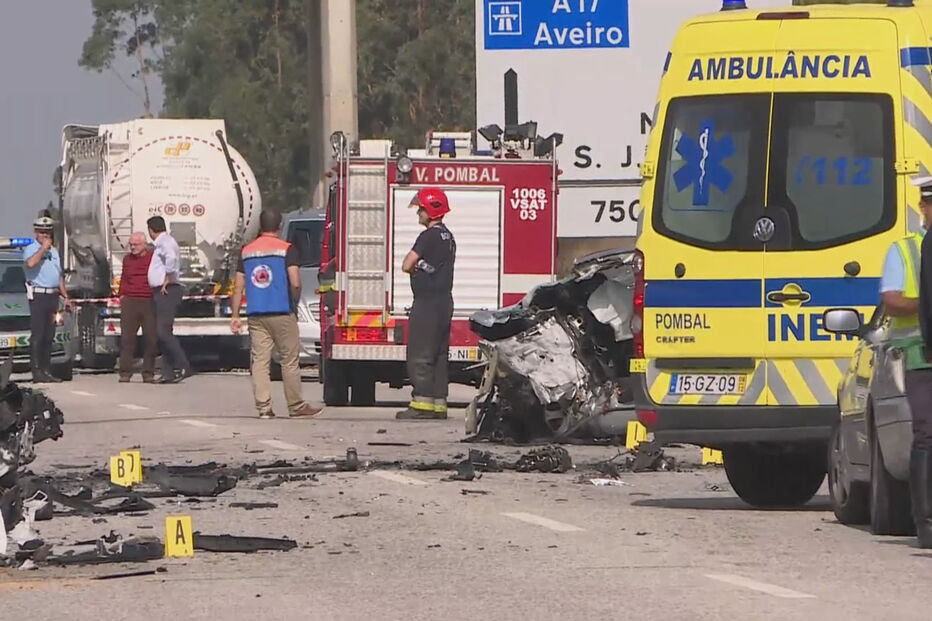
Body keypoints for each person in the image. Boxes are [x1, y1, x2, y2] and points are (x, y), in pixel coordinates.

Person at [230, 209, 321, 420]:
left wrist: (235, 315)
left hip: (256, 314)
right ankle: (296, 405)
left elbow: (238, 286)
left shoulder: (246, 251)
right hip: (282, 311)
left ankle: (264, 408)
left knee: (260, 361)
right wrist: (294, 303)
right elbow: (296, 282)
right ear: (280, 225)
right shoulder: (286, 249)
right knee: (289, 360)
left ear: (260, 226)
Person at [396, 187, 456, 420]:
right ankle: (438, 404)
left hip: (427, 302)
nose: (418, 213)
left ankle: (422, 404)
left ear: (431, 210)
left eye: (421, 208)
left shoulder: (428, 236)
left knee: (421, 353)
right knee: (439, 355)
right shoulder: (448, 237)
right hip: (444, 302)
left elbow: (406, 264)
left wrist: (418, 266)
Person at [900, 175, 932, 548]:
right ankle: (925, 523)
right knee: (926, 436)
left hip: (924, 354)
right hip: (920, 356)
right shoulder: (917, 248)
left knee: (926, 437)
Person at [22, 213, 72, 383]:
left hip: (52, 296)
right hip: (38, 295)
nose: (45, 235)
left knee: (49, 335)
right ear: (36, 232)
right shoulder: (31, 248)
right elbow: (30, 264)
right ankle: (36, 371)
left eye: (47, 232)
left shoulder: (55, 251)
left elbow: (59, 276)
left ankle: (46, 369)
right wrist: (42, 248)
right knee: (38, 335)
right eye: (41, 232)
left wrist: (66, 296)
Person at [147, 216, 192, 384]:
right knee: (163, 332)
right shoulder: (164, 241)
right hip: (161, 290)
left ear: (151, 230)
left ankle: (183, 365)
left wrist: (167, 278)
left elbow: (171, 258)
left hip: (167, 289)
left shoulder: (164, 242)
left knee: (162, 331)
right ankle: (168, 372)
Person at [118, 232, 157, 383]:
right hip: (130, 301)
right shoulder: (127, 259)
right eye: (131, 244)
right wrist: (122, 295)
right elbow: (124, 278)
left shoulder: (153, 258)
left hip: (149, 301)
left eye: (136, 245)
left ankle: (148, 373)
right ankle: (125, 372)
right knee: (127, 339)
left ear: (144, 245)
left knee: (151, 339)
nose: (132, 247)